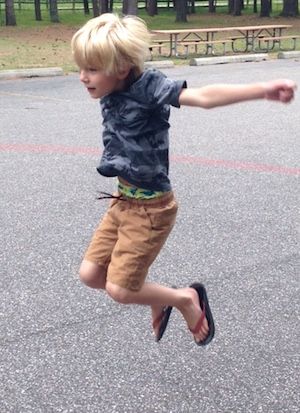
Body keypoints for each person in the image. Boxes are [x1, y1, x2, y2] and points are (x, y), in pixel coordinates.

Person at [71, 13, 296, 346]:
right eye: (81, 68)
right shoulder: (110, 87)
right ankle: (158, 297)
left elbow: (203, 97)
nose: (82, 77)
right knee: (90, 275)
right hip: (123, 201)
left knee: (119, 290)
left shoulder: (149, 87)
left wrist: (262, 90)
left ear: (120, 68)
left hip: (152, 208)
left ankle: (185, 299)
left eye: (91, 69)